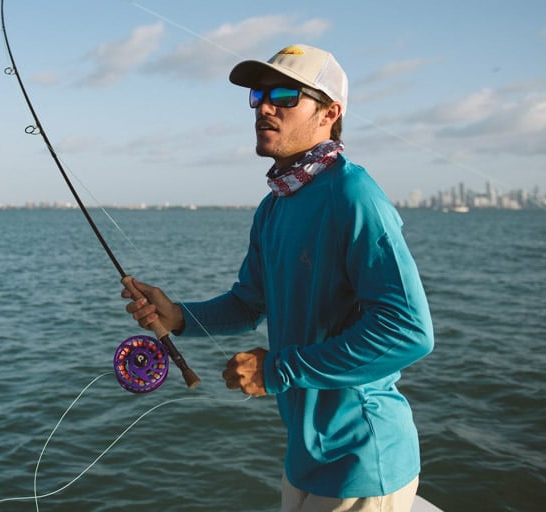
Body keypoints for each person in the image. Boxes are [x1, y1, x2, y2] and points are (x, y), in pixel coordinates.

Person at [123, 44, 434, 512]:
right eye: (259, 95)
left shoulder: (354, 195)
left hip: (362, 462)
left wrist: (276, 369)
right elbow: (249, 303)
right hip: (304, 458)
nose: (265, 106)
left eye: (286, 95)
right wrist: (180, 316)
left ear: (331, 112)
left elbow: (409, 331)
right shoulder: (274, 206)